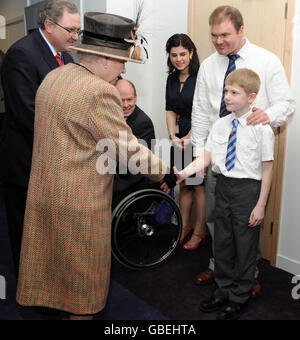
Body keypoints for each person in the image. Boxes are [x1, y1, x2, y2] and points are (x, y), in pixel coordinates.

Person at [16, 11, 177, 320]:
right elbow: (128, 149)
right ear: (104, 58)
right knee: (83, 296)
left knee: (59, 285)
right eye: (121, 61)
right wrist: (165, 171)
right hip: (80, 210)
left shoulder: (53, 76)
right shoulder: (99, 91)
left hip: (45, 198)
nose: (124, 67)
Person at [191, 6, 295, 292]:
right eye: (213, 36)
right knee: (217, 219)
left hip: (249, 164)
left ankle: (248, 276)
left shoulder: (267, 60)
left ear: (241, 30)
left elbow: (286, 103)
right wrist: (200, 156)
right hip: (218, 158)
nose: (218, 41)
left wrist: (268, 116)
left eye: (225, 35)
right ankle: (219, 266)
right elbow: (200, 111)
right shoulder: (209, 66)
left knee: (248, 223)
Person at [176, 68, 274, 320]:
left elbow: (267, 167)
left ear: (251, 97)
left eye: (234, 92)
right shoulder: (220, 124)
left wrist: (261, 204)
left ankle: (240, 294)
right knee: (222, 242)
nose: (227, 97)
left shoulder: (262, 128)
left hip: (248, 191)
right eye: (226, 92)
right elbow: (206, 158)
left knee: (245, 245)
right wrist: (184, 172)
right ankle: (223, 288)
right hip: (223, 187)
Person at [0, 0, 81, 275]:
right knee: (26, 233)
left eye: (77, 30)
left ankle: (50, 283)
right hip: (26, 162)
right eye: (70, 30)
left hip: (55, 162)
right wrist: (75, 137)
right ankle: (31, 291)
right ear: (48, 25)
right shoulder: (20, 54)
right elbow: (29, 114)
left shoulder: (68, 59)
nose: (75, 36)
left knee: (49, 231)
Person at [165, 34, 207, 250]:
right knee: (183, 184)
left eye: (183, 54)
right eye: (174, 55)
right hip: (178, 137)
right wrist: (173, 136)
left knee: (197, 185)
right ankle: (184, 226)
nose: (178, 59)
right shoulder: (171, 78)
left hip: (198, 134)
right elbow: (170, 109)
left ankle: (200, 231)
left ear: (191, 53)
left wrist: (189, 136)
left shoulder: (201, 77)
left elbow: (204, 111)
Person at [113, 79, 157, 207]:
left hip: (133, 180)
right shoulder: (111, 116)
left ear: (136, 98)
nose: (126, 105)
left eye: (129, 99)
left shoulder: (143, 123)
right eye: (121, 100)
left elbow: (134, 163)